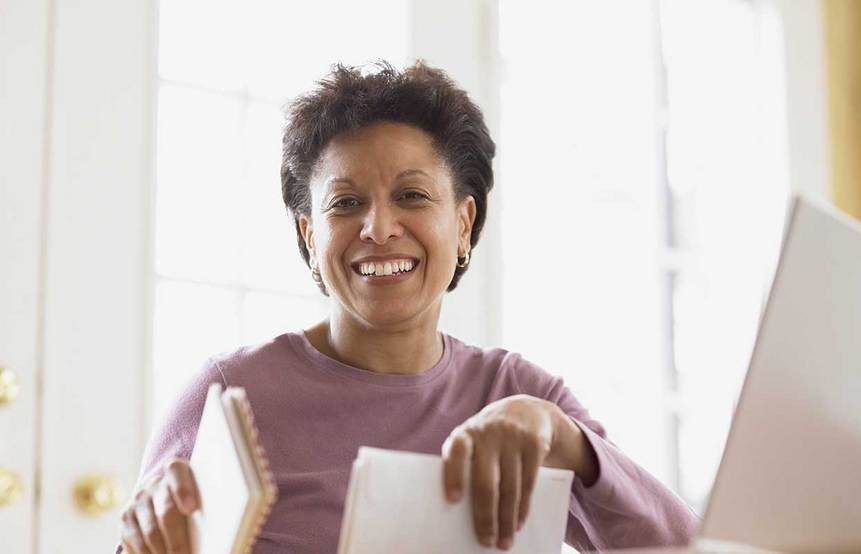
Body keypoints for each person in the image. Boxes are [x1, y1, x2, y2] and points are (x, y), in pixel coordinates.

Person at [117, 61, 698, 553]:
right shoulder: (227, 396)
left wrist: (566, 440)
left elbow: (684, 547)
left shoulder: (521, 396)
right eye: (345, 203)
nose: (379, 228)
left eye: (412, 196)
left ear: (463, 224)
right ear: (310, 237)